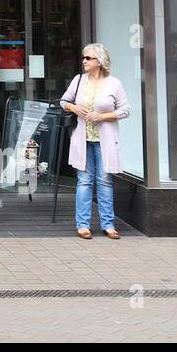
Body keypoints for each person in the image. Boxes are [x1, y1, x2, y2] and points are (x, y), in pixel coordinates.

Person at [62, 43, 130, 240]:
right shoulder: (78, 81)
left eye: (88, 58)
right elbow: (63, 101)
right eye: (83, 58)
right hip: (83, 139)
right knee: (84, 182)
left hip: (104, 140)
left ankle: (108, 224)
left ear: (99, 61)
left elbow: (125, 110)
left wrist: (103, 116)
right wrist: (73, 108)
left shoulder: (114, 84)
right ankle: (82, 225)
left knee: (105, 182)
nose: (84, 61)